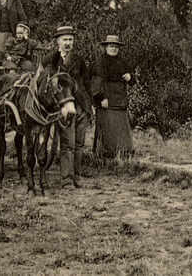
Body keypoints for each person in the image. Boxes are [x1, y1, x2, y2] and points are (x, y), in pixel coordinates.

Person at [41, 26, 92, 189]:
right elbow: (46, 84)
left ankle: (77, 176)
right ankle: (66, 180)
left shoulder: (79, 60)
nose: (68, 43)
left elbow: (87, 83)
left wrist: (89, 106)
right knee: (67, 144)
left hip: (81, 105)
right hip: (64, 105)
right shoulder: (50, 60)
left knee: (79, 144)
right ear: (58, 41)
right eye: (65, 40)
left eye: (70, 39)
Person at [91, 35, 134, 157]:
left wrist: (130, 77)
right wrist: (101, 97)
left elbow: (132, 80)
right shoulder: (100, 62)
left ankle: (123, 153)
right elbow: (96, 82)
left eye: (116, 46)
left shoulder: (123, 62)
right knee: (107, 127)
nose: (114, 49)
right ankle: (104, 155)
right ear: (106, 47)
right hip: (106, 101)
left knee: (120, 127)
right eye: (111, 46)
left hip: (120, 101)